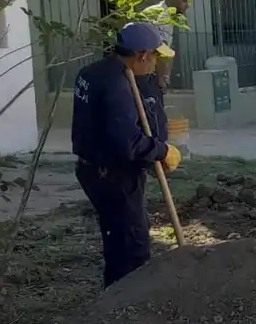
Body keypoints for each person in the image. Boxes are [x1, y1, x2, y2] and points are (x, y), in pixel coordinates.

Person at [72, 22, 182, 288]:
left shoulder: (91, 72)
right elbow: (128, 143)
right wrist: (162, 150)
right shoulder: (118, 85)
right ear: (142, 55)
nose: (155, 63)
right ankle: (125, 307)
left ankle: (114, 297)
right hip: (113, 176)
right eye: (155, 56)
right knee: (131, 247)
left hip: (92, 168)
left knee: (117, 238)